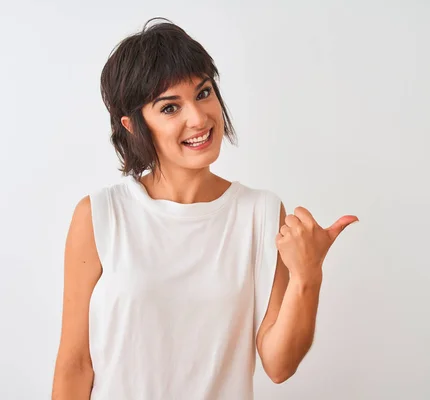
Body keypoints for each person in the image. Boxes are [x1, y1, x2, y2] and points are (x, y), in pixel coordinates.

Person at [51, 17, 358, 400]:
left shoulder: (259, 213)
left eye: (203, 93)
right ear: (131, 125)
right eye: (169, 108)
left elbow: (279, 365)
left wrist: (307, 276)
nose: (198, 118)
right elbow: (75, 365)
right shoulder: (100, 214)